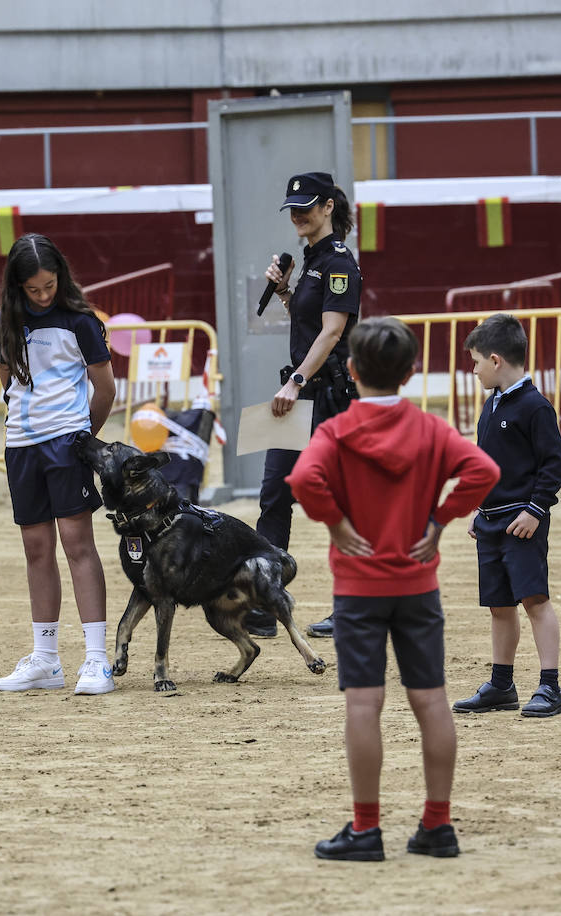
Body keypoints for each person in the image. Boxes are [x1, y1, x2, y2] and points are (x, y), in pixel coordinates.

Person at [287, 317, 499, 861]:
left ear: (352, 370)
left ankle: (366, 828)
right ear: (410, 373)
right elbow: (483, 470)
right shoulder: (430, 429)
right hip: (416, 582)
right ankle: (437, 824)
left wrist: (335, 523)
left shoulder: (335, 432)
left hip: (359, 588)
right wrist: (440, 520)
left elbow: (303, 480)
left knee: (364, 703)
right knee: (430, 701)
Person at [0, 233, 118, 695]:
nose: (43, 295)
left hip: (67, 442)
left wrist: (84, 439)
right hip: (21, 445)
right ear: (17, 286)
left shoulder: (81, 321)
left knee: (77, 543)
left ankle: (97, 659)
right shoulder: (4, 320)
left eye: (49, 285)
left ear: (60, 277)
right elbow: (7, 383)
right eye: (33, 289)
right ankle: (45, 659)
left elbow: (105, 389)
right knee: (36, 549)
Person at [250, 171, 361, 640]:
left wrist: (296, 381)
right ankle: (266, 603)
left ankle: (352, 605)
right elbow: (311, 318)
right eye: (292, 207)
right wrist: (283, 293)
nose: (298, 214)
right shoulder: (312, 260)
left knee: (341, 502)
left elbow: (333, 330)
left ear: (328, 208)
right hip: (297, 397)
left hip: (325, 398)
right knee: (274, 494)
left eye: (307, 206)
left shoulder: (339, 261)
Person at [451, 314, 561, 718]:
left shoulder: (536, 407)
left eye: (476, 361)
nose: (474, 368)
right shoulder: (490, 406)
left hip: (522, 523)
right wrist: (478, 507)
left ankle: (550, 687)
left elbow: (553, 466)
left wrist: (536, 509)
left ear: (496, 360)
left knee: (535, 601)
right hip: (491, 521)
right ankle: (502, 685)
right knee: (499, 606)